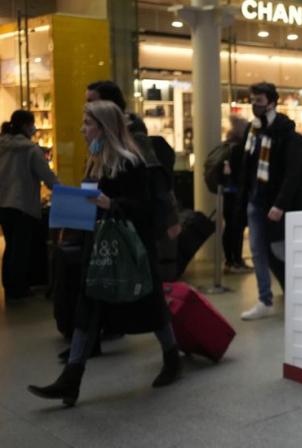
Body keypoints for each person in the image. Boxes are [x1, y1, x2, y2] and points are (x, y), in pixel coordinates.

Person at [28, 101, 181, 407]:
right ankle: (71, 380)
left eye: (88, 123)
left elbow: (145, 209)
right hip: (100, 245)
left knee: (150, 305)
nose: (82, 129)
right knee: (87, 309)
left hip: (130, 248)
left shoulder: (130, 162)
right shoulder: (95, 161)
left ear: (104, 127)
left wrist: (112, 204)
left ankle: (172, 357)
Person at [239, 82, 302, 321]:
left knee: (281, 251)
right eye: (252, 100)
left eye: (258, 100)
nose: (254, 105)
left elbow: (293, 173)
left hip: (278, 205)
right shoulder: (253, 131)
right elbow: (247, 166)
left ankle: (298, 295)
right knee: (258, 250)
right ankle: (265, 299)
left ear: (271, 102)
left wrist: (280, 204)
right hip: (256, 201)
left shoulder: (286, 134)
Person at [86, 80, 180, 240]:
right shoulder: (102, 143)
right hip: (113, 229)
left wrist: (170, 219)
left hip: (132, 234)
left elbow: (149, 191)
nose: (87, 106)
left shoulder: (134, 143)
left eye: (91, 101)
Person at [0, 110, 59, 301]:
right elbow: (47, 177)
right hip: (23, 204)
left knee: (11, 247)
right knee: (20, 249)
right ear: (26, 126)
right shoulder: (30, 150)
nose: (34, 128)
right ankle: (18, 290)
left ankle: (10, 288)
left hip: (3, 204)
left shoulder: (2, 146)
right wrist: (63, 190)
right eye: (32, 124)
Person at [222, 115, 251, 273]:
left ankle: (230, 260)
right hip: (237, 194)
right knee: (237, 227)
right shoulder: (240, 149)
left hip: (228, 193)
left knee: (229, 227)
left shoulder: (227, 146)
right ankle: (236, 261)